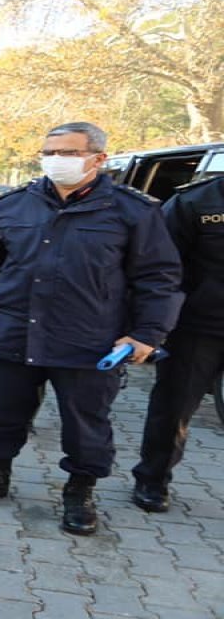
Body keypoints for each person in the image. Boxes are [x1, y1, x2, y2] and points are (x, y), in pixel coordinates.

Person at [0, 122, 183, 536]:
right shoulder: (13, 205)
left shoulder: (133, 211)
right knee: (4, 414)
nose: (55, 161)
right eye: (49, 152)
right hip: (12, 333)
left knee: (86, 424)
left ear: (97, 159)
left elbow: (158, 278)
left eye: (67, 153)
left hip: (88, 339)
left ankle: (79, 491)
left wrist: (147, 334)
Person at [132, 174, 224, 512]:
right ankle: (152, 481)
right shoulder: (195, 202)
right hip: (199, 328)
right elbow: (162, 268)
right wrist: (152, 325)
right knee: (174, 408)